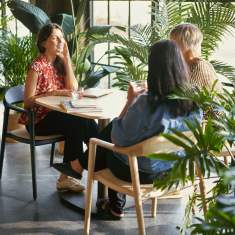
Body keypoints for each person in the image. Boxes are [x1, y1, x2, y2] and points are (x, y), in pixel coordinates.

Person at [55, 39, 203, 220]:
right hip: (176, 171)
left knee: (108, 142)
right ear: (179, 65)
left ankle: (87, 175)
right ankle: (90, 179)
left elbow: (118, 138)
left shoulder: (146, 103)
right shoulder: (194, 100)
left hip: (144, 174)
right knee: (117, 140)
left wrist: (130, 101)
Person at [19, 23, 98, 193]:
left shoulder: (60, 64)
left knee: (86, 121)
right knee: (76, 123)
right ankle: (94, 161)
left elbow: (73, 88)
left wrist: (67, 58)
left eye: (62, 38)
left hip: (57, 115)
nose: (61, 41)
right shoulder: (36, 67)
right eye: (55, 37)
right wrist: (53, 93)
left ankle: (94, 157)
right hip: (37, 121)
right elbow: (27, 102)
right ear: (44, 43)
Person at [170, 23, 223, 92]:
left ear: (185, 44)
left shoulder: (199, 65)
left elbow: (184, 94)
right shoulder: (182, 63)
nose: (170, 46)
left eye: (173, 43)